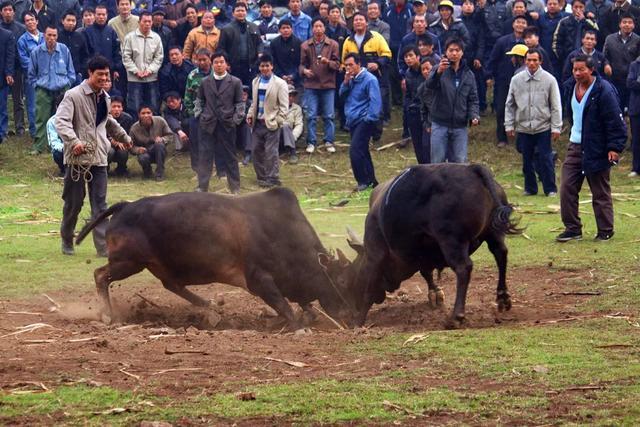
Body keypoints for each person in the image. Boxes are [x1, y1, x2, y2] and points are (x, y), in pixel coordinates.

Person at [55, 55, 132, 256]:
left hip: (99, 158)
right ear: (90, 73)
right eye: (100, 74)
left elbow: (107, 122)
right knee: (74, 203)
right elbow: (61, 122)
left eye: (106, 74)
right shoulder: (73, 95)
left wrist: (124, 137)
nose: (104, 78)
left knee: (100, 204)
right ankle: (67, 238)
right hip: (78, 160)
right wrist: (74, 142)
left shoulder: (105, 97)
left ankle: (103, 247)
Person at [556, 55, 626, 242]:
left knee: (600, 191)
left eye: (581, 70)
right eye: (574, 70)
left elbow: (615, 122)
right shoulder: (570, 87)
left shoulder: (604, 91)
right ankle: (572, 229)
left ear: (592, 69)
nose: (577, 73)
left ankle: (605, 230)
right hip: (575, 145)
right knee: (567, 187)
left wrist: (614, 147)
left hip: (598, 148)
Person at [505, 47, 561, 197]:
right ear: (525, 61)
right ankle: (530, 188)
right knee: (526, 160)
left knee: (545, 158)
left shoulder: (549, 80)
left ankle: (550, 188)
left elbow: (556, 105)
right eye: (529, 60)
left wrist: (556, 127)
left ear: (540, 61)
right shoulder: (516, 80)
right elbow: (510, 104)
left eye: (535, 60)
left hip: (543, 126)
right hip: (523, 126)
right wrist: (509, 125)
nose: (531, 63)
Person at [194, 51, 244, 193]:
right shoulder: (205, 81)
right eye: (216, 62)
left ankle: (234, 187)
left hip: (227, 124)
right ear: (212, 64)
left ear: (227, 64)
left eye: (222, 62)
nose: (219, 65)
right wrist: (200, 116)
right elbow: (199, 101)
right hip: (208, 124)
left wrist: (235, 120)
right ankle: (202, 186)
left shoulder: (235, 82)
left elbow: (240, 104)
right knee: (205, 156)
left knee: (230, 156)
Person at [425, 37, 479, 163]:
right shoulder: (438, 69)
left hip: (460, 125)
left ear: (462, 53)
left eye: (457, 50)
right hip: (440, 123)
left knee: (460, 162)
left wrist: (474, 115)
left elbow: (473, 99)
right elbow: (429, 86)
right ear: (446, 52)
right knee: (437, 162)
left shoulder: (468, 74)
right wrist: (438, 72)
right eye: (451, 50)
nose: (454, 53)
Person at [28, 24, 75, 155]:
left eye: (54, 35)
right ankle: (39, 146)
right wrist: (37, 86)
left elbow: (71, 72)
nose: (51, 38)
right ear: (44, 35)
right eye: (49, 35)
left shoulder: (64, 50)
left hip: (62, 89)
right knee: (41, 118)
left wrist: (67, 85)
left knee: (63, 118)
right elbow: (31, 74)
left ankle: (63, 144)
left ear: (57, 36)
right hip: (43, 90)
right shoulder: (36, 52)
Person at [339, 52, 382, 191]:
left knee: (355, 150)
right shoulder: (350, 79)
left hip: (364, 119)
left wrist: (370, 119)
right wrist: (345, 81)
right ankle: (372, 181)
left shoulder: (370, 79)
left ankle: (362, 181)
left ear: (359, 64)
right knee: (363, 151)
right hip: (353, 119)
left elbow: (375, 101)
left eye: (351, 65)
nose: (348, 68)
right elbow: (341, 95)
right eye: (346, 65)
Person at [247, 53, 288, 188]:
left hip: (271, 123)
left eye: (267, 66)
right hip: (257, 123)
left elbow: (284, 107)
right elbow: (254, 102)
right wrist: (250, 114)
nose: (264, 68)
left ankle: (273, 178)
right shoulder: (255, 82)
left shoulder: (280, 83)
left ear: (272, 66)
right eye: (262, 66)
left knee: (271, 152)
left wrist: (278, 121)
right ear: (259, 67)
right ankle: (262, 177)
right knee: (256, 150)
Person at [299, 17, 339, 153]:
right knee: (311, 115)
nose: (318, 29)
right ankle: (311, 141)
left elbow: (337, 65)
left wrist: (328, 62)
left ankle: (329, 141)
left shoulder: (333, 44)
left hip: (328, 84)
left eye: (320, 26)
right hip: (311, 84)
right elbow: (301, 64)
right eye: (315, 26)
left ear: (325, 28)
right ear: (312, 28)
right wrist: (304, 71)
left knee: (329, 115)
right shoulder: (305, 45)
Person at [487, 14, 525, 147]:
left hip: (524, 82)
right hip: (503, 80)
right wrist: (489, 75)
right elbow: (493, 59)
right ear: (513, 25)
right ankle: (502, 137)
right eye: (518, 22)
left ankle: (521, 137)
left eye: (523, 23)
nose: (520, 25)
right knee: (501, 108)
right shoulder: (502, 41)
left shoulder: (528, 42)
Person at [122, 11, 164, 115]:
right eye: (145, 21)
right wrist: (136, 71)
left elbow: (159, 57)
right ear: (139, 22)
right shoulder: (130, 37)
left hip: (151, 78)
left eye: (149, 21)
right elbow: (126, 57)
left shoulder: (156, 38)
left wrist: (150, 70)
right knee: (135, 108)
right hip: (134, 79)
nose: (147, 24)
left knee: (153, 106)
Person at [217, 2, 262, 86]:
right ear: (233, 13)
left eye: (242, 10)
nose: (240, 13)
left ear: (246, 12)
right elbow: (221, 48)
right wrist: (226, 63)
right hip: (234, 67)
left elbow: (259, 43)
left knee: (250, 91)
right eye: (238, 11)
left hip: (251, 66)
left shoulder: (254, 27)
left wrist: (260, 53)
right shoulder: (226, 29)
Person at [603, 13, 640, 113]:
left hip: (631, 80)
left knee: (631, 109)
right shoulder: (610, 39)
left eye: (629, 22)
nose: (627, 25)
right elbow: (604, 56)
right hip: (614, 78)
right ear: (620, 24)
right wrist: (606, 64)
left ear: (633, 25)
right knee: (616, 107)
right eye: (624, 22)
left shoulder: (638, 40)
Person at [184, 48, 213, 173]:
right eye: (199, 60)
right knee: (195, 142)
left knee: (212, 141)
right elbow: (188, 96)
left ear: (210, 59)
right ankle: (196, 168)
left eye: (204, 60)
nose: (201, 62)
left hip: (213, 114)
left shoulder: (216, 74)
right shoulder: (192, 75)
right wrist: (192, 112)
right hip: (196, 114)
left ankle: (213, 166)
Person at [129, 105, 174, 181]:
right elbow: (130, 146)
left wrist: (162, 139)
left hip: (158, 150)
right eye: (143, 113)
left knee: (159, 145)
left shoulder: (160, 121)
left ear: (152, 113)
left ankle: (160, 172)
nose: (146, 115)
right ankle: (147, 171)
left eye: (148, 113)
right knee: (143, 158)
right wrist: (138, 150)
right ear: (139, 115)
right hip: (144, 152)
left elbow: (170, 136)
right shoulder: (134, 128)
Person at [1, 1, 25, 137]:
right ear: (1, 12)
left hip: (17, 68)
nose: (8, 12)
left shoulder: (20, 28)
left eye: (10, 10)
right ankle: (2, 129)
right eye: (5, 10)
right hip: (1, 69)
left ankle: (20, 126)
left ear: (14, 12)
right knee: (2, 101)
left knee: (18, 99)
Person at [17, 12, 42, 140]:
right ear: (24, 24)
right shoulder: (22, 41)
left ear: (37, 21)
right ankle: (35, 133)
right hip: (31, 78)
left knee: (46, 105)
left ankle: (47, 131)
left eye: (32, 20)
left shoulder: (45, 36)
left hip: (47, 78)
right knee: (32, 106)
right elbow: (24, 61)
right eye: (27, 21)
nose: (30, 22)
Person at [402, 46, 427, 164]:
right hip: (413, 112)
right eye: (406, 57)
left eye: (411, 56)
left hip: (426, 112)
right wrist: (407, 107)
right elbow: (408, 93)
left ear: (418, 57)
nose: (408, 59)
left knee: (427, 144)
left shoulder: (425, 70)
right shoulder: (408, 73)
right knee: (417, 145)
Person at [58, 11, 90, 86]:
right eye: (68, 20)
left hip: (76, 74)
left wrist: (81, 70)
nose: (71, 23)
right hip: (60, 75)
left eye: (73, 21)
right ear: (63, 21)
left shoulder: (79, 37)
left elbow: (85, 56)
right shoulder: (57, 36)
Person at [269, 19, 301, 87]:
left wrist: (293, 76)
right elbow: (273, 62)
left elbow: (300, 62)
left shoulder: (298, 43)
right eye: (283, 28)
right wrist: (281, 75)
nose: (286, 30)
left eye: (288, 28)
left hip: (296, 79)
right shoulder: (274, 43)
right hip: (278, 77)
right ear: (279, 30)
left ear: (292, 29)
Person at [107, 95, 133, 176]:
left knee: (123, 151)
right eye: (114, 106)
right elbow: (100, 134)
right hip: (107, 144)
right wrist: (111, 141)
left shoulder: (128, 118)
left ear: (122, 108)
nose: (116, 109)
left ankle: (121, 169)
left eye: (119, 106)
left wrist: (123, 142)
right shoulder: (103, 117)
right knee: (110, 151)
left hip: (122, 144)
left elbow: (129, 135)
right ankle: (104, 169)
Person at [281, 84, 302, 163]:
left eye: (292, 96)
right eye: (289, 95)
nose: (291, 98)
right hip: (276, 136)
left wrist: (293, 137)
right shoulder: (276, 106)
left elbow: (299, 125)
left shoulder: (297, 108)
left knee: (286, 126)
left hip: (291, 136)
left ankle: (293, 152)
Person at [0, 23, 14, 145]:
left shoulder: (6, 35)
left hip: (1, 77)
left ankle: (2, 132)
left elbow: (10, 56)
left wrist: (8, 73)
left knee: (2, 107)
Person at [628, 55, 640, 177]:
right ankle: (636, 168)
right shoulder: (634, 65)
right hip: (637, 109)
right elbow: (630, 83)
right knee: (636, 139)